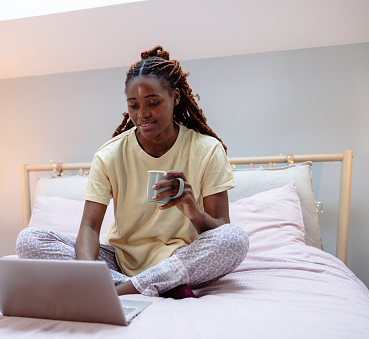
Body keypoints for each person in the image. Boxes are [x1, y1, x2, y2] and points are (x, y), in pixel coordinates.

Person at [16, 46, 249, 299]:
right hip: (120, 260)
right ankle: (158, 285)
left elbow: (221, 227)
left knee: (234, 239)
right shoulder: (109, 155)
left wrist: (192, 210)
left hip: (180, 258)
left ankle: (120, 289)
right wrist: (85, 273)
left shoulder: (206, 150)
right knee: (29, 240)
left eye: (153, 103)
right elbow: (90, 228)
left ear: (176, 97)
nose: (142, 114)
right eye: (133, 105)